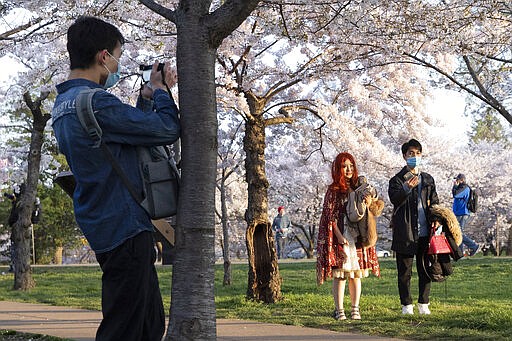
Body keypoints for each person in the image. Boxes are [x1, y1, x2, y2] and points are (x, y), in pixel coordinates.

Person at [51, 16, 180, 341]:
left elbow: (121, 139)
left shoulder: (64, 104)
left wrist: (146, 99)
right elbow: (166, 130)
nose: (119, 65)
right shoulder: (96, 101)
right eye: (118, 56)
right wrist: (163, 92)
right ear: (103, 56)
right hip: (124, 227)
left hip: (104, 220)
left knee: (148, 324)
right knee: (123, 329)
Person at [317, 152, 382, 321]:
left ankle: (355, 309)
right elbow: (329, 216)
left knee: (356, 274)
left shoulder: (359, 187)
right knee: (341, 274)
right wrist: (338, 236)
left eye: (351, 166)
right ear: (338, 168)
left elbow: (374, 209)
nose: (348, 169)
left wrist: (369, 203)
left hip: (358, 235)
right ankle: (339, 310)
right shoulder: (334, 190)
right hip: (342, 234)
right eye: (344, 166)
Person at [388, 139, 444, 315]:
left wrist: (436, 219)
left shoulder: (427, 179)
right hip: (406, 232)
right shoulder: (397, 179)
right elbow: (395, 199)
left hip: (426, 232)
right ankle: (406, 306)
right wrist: (406, 187)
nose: (414, 157)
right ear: (404, 156)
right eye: (411, 153)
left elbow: (434, 202)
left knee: (425, 269)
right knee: (404, 272)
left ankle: (424, 304)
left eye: (418, 153)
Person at [452, 173, 480, 256]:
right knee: (458, 233)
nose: (456, 181)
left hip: (462, 213)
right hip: (459, 213)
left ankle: (474, 246)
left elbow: (455, 194)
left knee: (459, 233)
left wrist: (454, 186)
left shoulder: (464, 188)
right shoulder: (461, 187)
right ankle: (459, 253)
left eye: (457, 179)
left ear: (461, 180)